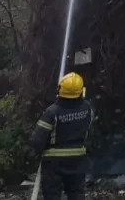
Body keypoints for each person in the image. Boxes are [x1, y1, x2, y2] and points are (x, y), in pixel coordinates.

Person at [31, 72, 92, 200]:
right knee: (76, 193)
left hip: (53, 162)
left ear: (60, 90)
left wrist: (37, 152)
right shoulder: (87, 108)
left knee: (52, 194)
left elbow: (38, 139)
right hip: (77, 159)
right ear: (81, 91)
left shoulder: (51, 112)